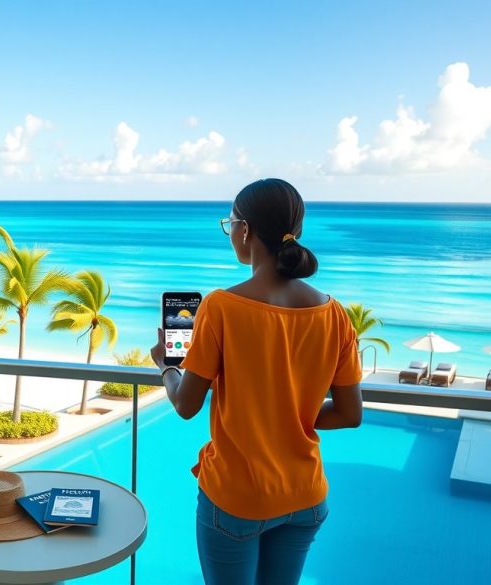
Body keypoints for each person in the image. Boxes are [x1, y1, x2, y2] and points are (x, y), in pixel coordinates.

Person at [150, 178, 363, 585]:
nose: (229, 233)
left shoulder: (222, 307)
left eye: (229, 224)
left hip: (238, 498)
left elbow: (186, 406)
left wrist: (166, 366)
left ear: (244, 230)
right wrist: (290, 413)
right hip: (305, 494)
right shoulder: (335, 315)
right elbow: (350, 414)